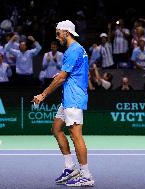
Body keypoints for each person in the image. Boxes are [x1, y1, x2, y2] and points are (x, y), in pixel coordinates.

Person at [32, 20, 94, 187]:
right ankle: (70, 168)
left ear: (67, 32)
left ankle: (86, 175)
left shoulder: (73, 50)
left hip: (74, 98)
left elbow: (61, 78)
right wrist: (60, 75)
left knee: (75, 135)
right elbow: (69, 73)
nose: (57, 36)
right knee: (56, 129)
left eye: (59, 33)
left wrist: (43, 94)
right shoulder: (75, 49)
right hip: (68, 98)